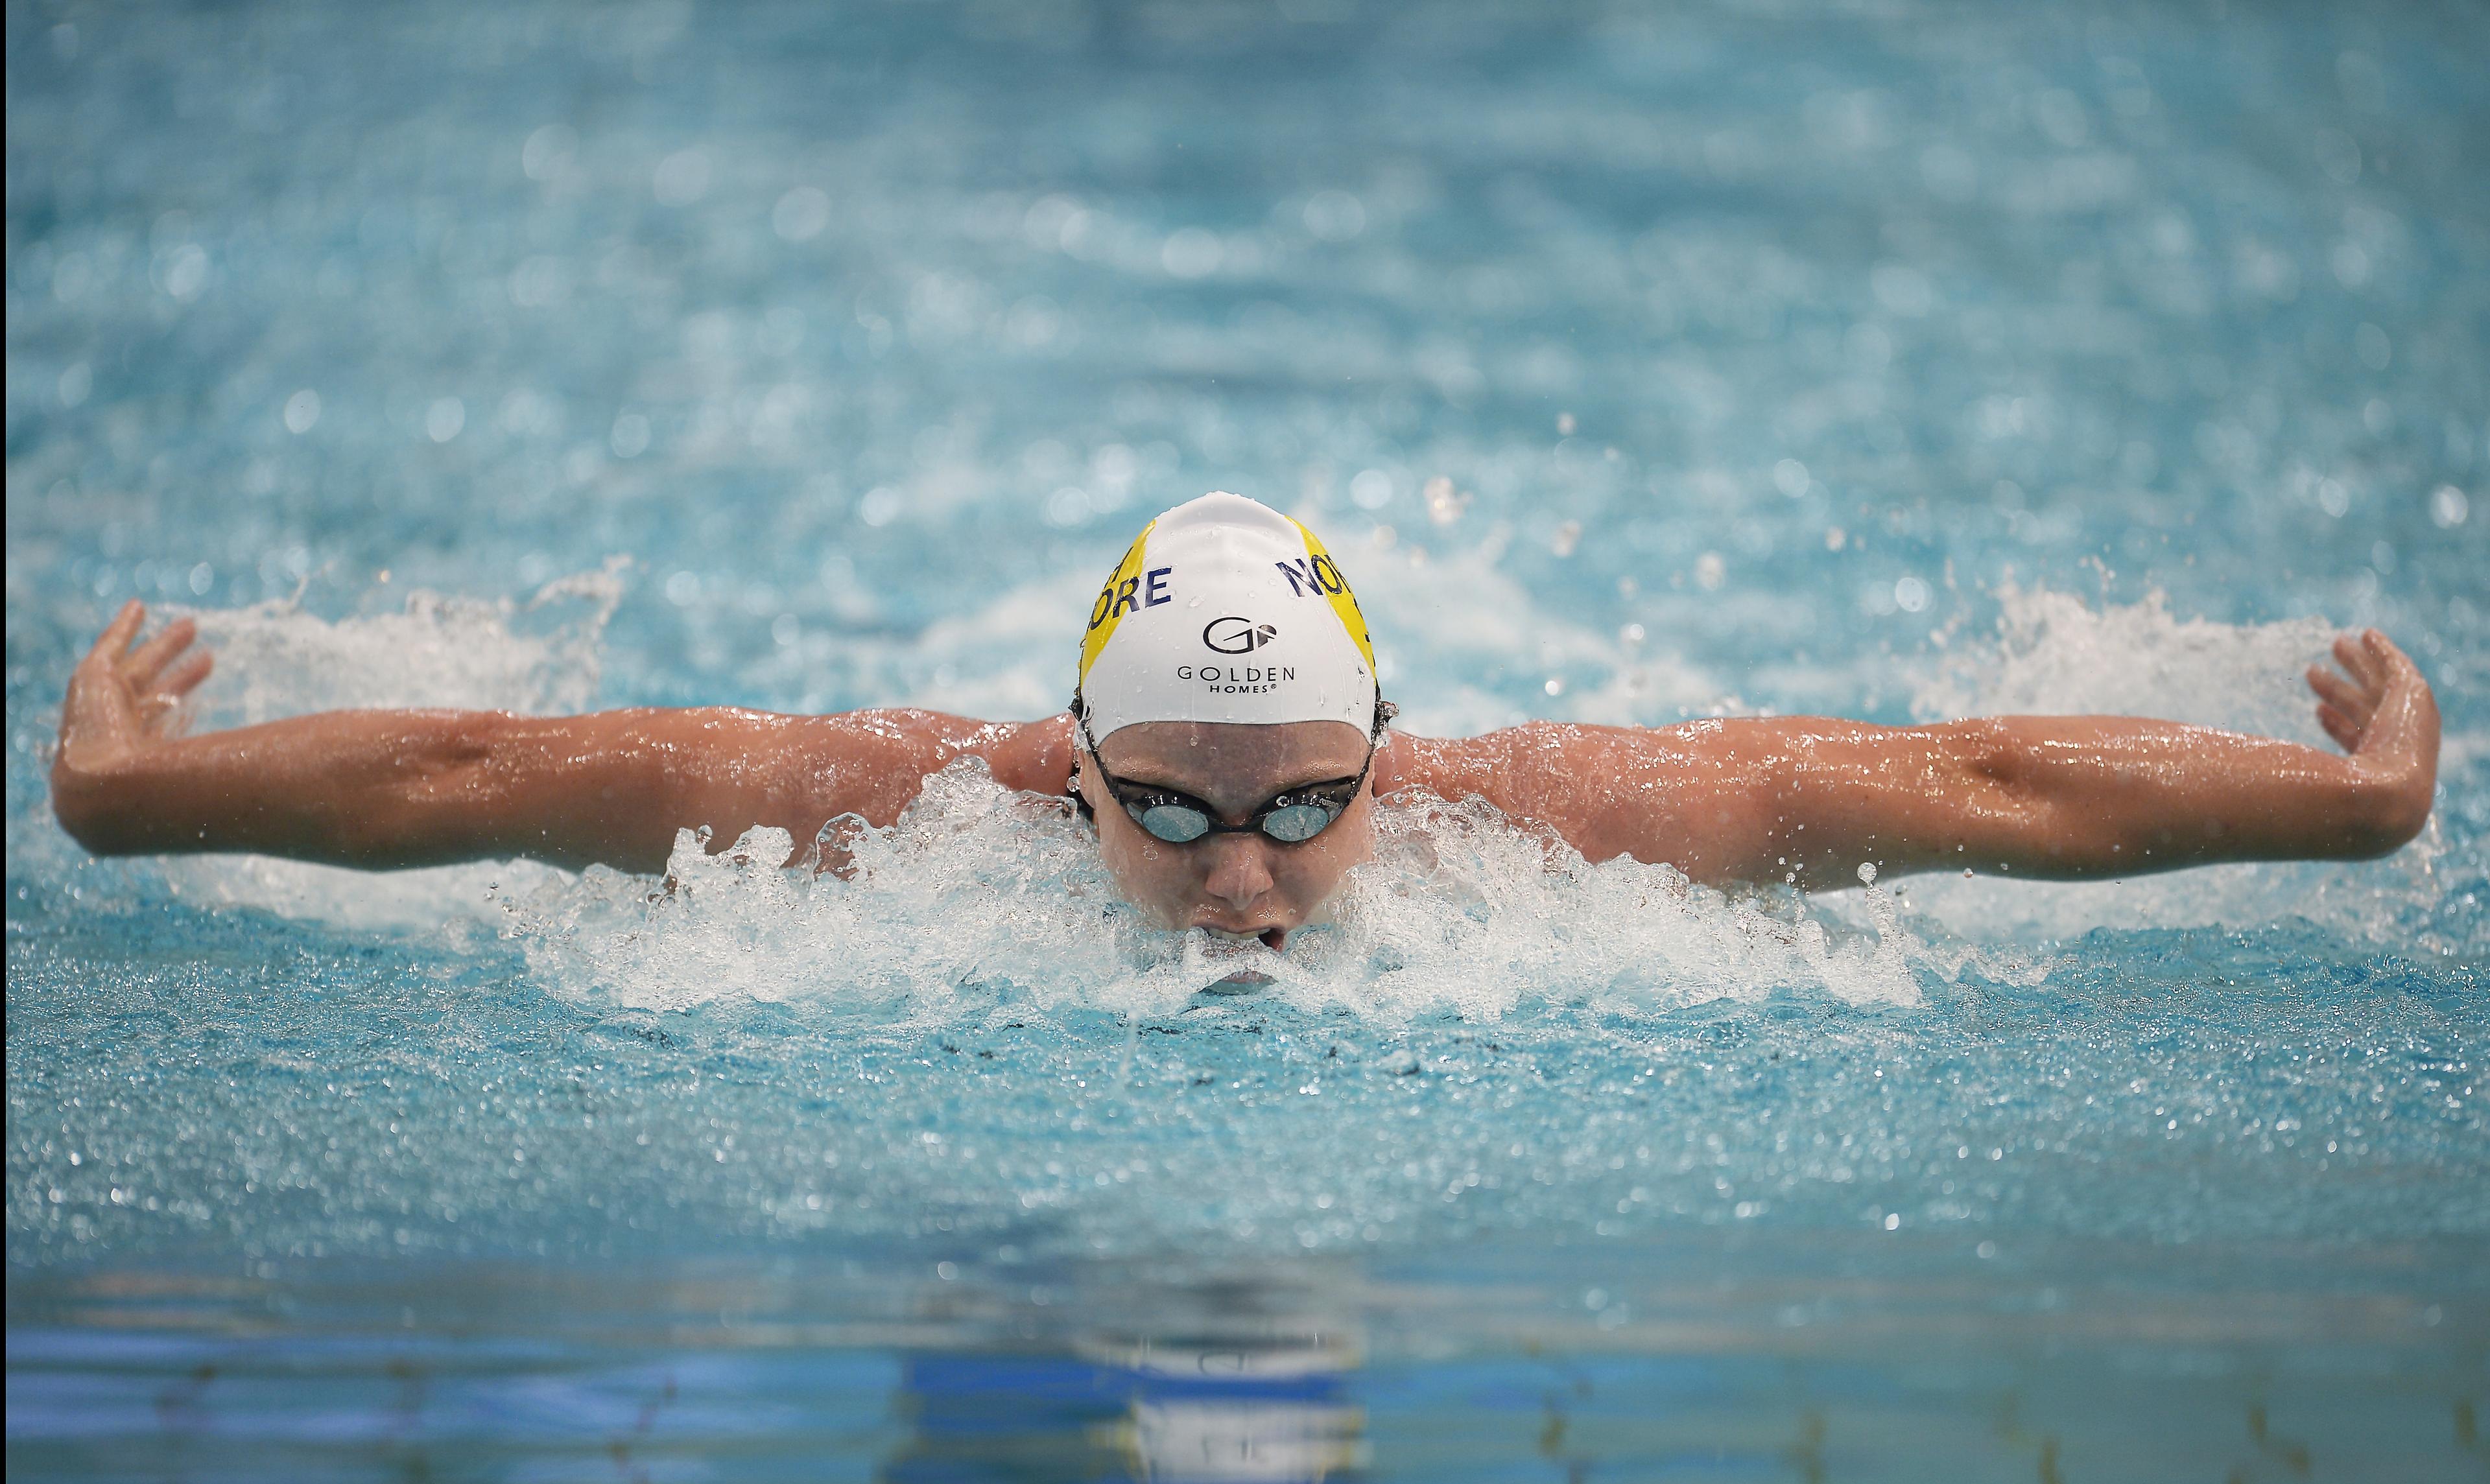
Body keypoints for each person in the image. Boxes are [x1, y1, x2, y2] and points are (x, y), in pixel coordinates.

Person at [50, 492, 2439, 952]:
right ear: (1060, 767)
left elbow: (1976, 780)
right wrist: (131, 799)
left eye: (1307, 799)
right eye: (1172, 809)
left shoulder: (1574, 834)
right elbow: (482, 777)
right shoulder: (885, 821)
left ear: (1396, 757)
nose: (1245, 879)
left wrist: (2353, 813)